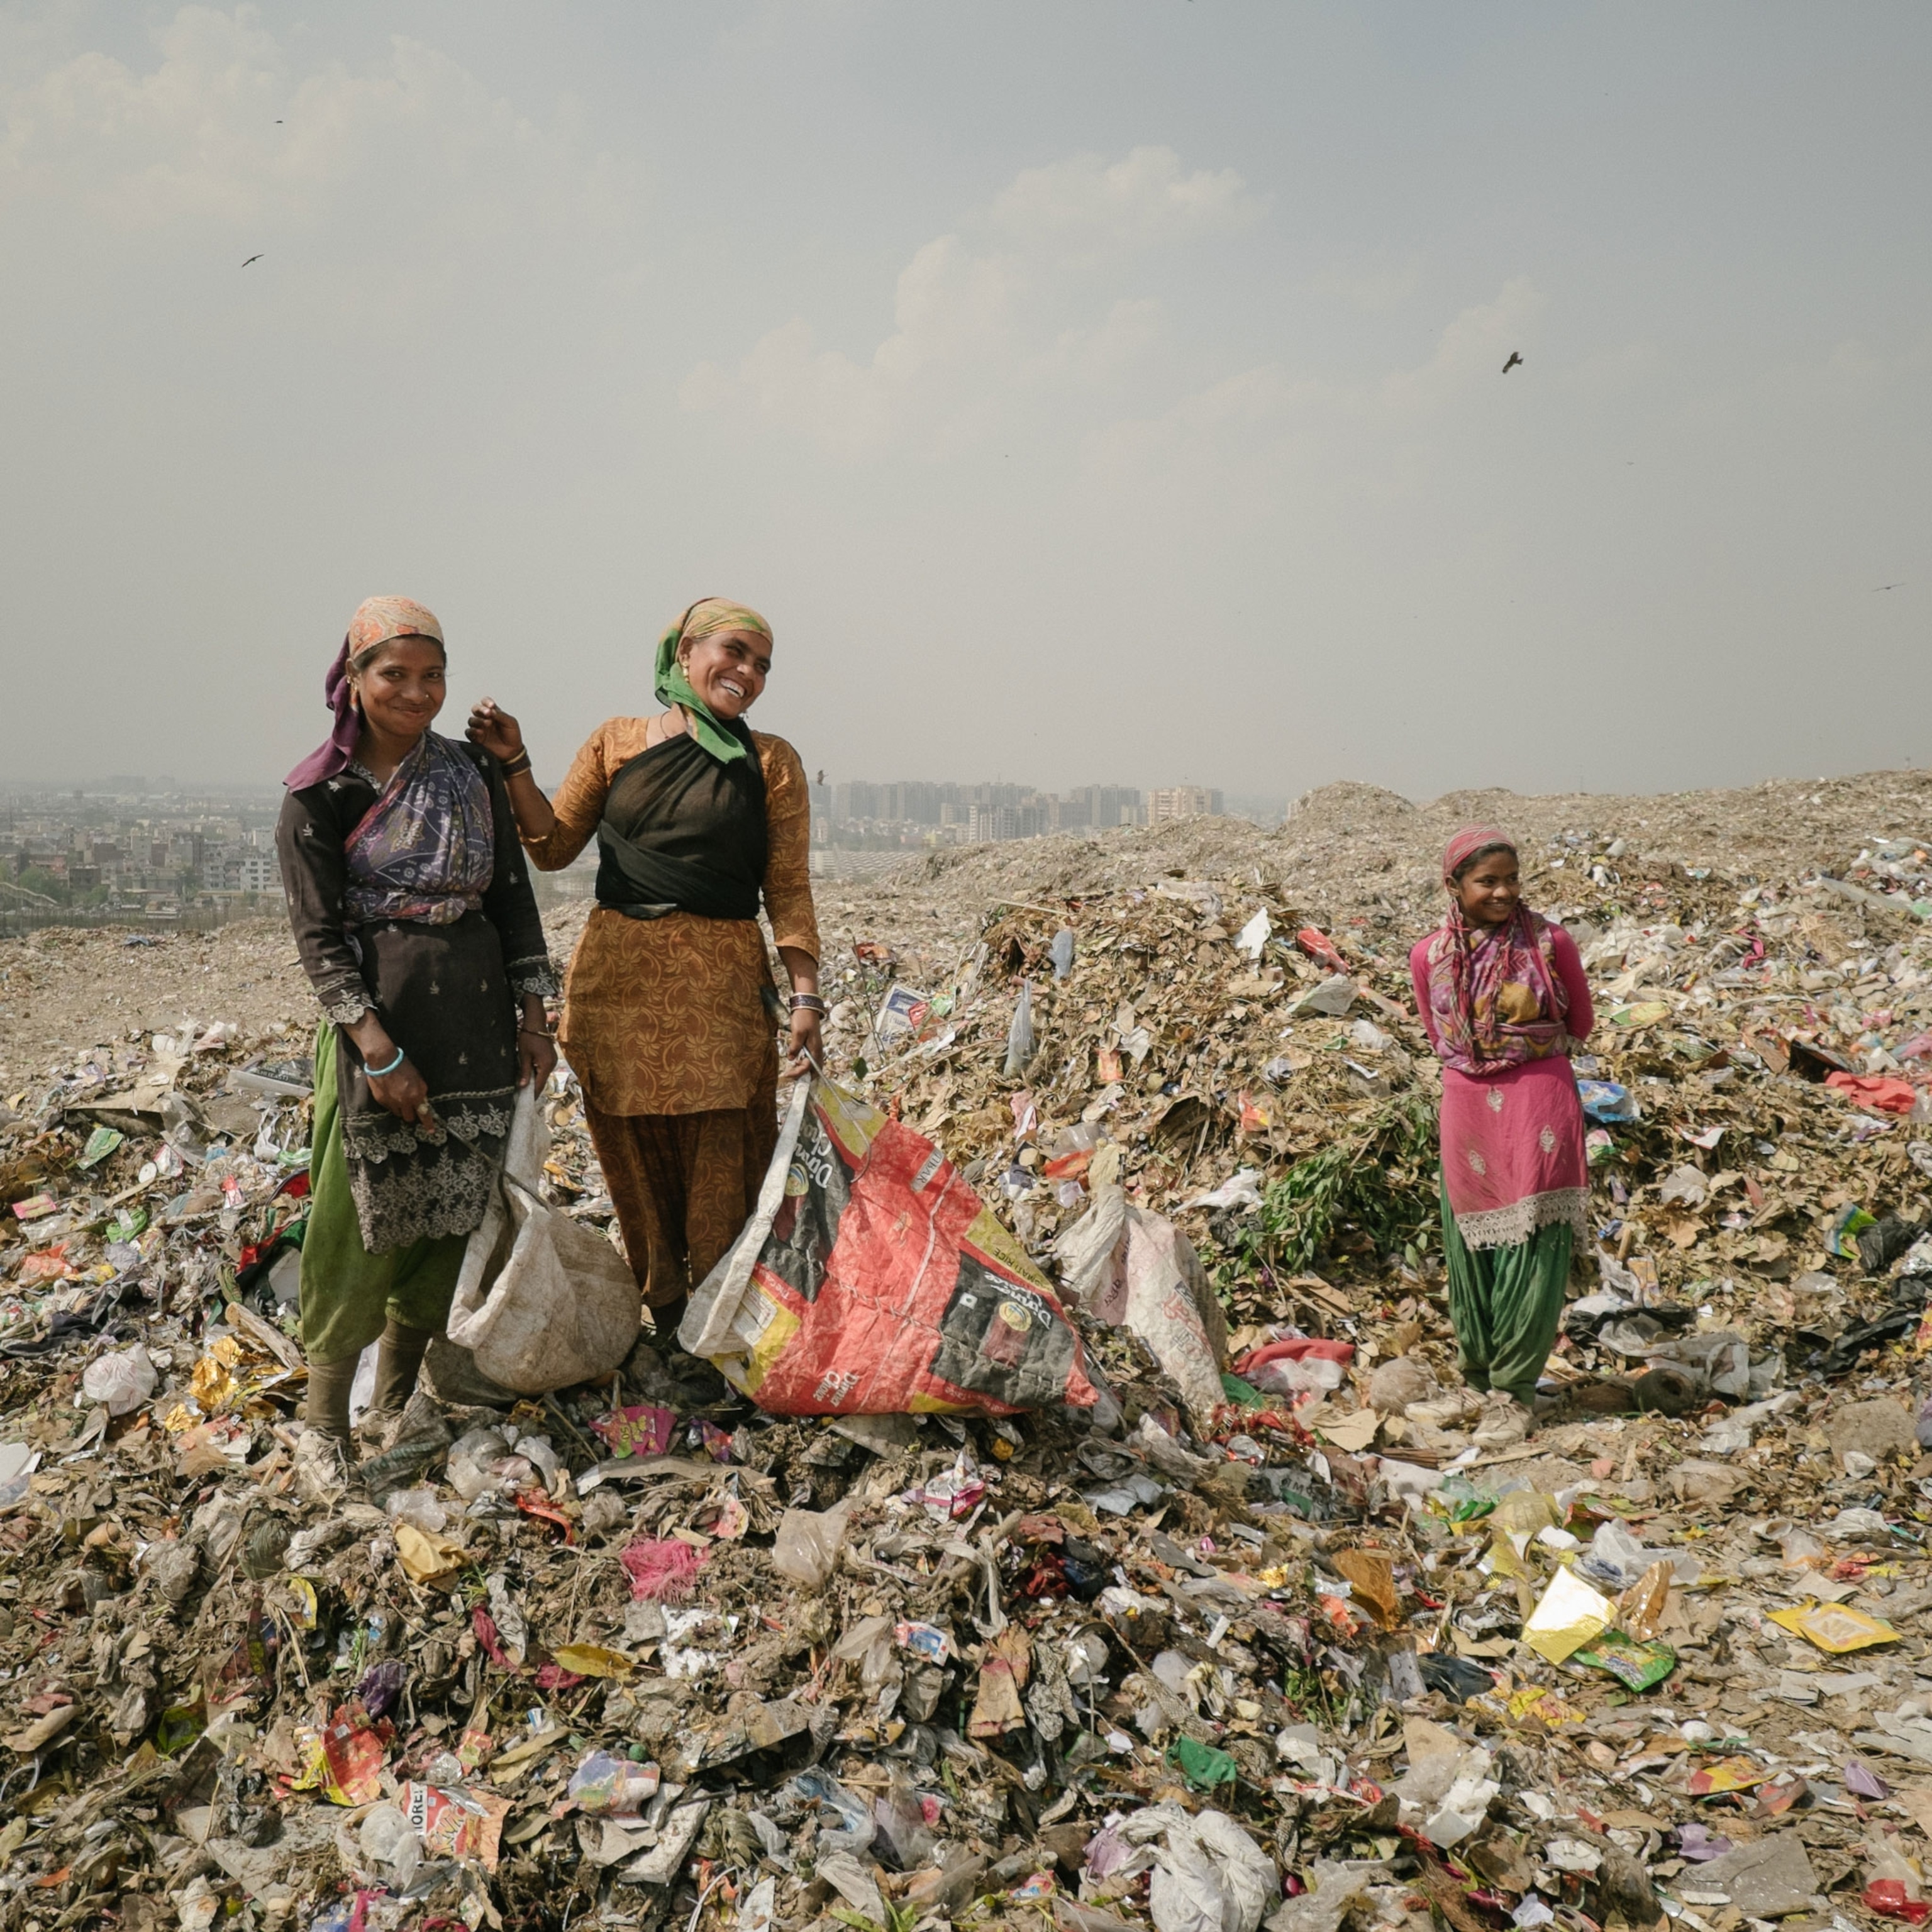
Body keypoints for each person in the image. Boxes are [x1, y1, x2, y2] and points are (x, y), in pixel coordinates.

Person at [466, 597, 820, 1342]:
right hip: (618, 991)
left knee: (727, 1152)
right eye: (735, 652)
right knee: (633, 1157)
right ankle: (664, 1319)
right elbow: (553, 845)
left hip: (721, 994)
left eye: (762, 665)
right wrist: (516, 764)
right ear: (685, 652)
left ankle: (720, 1326)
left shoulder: (771, 762)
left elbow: (787, 884)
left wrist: (807, 997)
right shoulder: (616, 743)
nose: (749, 674)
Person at [278, 596, 557, 1455]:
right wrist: (376, 1048)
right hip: (385, 1031)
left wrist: (537, 1015)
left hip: (475, 1026)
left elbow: (514, 901)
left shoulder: (469, 773)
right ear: (352, 680)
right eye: (393, 674)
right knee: (355, 1227)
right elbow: (320, 940)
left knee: (451, 1222)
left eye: (431, 675)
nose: (415, 691)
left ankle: (393, 1408)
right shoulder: (320, 793)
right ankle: (322, 1426)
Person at [1409, 826, 1594, 1449]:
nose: (1503, 892)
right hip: (1467, 1102)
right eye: (1487, 881)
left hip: (1539, 1096)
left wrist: (1519, 1042)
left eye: (1511, 879)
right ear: (1454, 886)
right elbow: (1439, 1036)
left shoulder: (1551, 943)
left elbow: (1582, 1022)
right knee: (1471, 1240)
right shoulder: (1429, 956)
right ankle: (1476, 1378)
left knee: (1535, 1239)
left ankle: (1513, 1394)